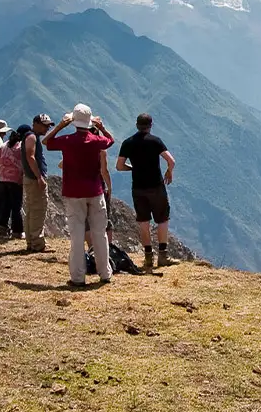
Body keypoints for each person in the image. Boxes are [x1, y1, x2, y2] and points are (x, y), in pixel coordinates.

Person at [44, 104, 115, 286]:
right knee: (100, 234)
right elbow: (110, 140)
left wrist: (60, 126)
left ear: (74, 122)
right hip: (95, 192)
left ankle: (78, 277)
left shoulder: (67, 140)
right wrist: (101, 128)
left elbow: (46, 142)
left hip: (73, 193)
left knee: (77, 237)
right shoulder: (96, 141)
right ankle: (105, 273)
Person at [116, 113, 178, 267]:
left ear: (137, 125)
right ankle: (163, 256)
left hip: (138, 188)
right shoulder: (155, 141)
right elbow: (171, 161)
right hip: (156, 187)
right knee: (162, 219)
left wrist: (134, 168)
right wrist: (169, 171)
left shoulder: (128, 143)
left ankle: (148, 256)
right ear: (150, 126)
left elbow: (119, 166)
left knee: (143, 222)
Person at [22, 114, 56, 253]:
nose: (46, 128)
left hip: (30, 179)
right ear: (35, 123)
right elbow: (30, 156)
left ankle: (31, 241)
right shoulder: (32, 137)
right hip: (34, 179)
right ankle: (37, 243)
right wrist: (39, 177)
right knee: (38, 211)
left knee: (31, 210)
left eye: (48, 125)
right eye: (44, 125)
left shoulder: (31, 137)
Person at [0, 125, 31, 238]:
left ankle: (1, 228)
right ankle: (17, 231)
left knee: (4, 205)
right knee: (16, 206)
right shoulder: (21, 147)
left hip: (0, 179)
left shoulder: (4, 145)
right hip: (15, 180)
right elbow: (26, 163)